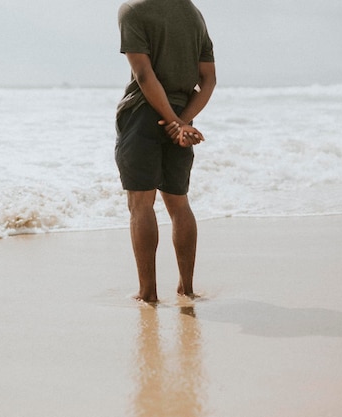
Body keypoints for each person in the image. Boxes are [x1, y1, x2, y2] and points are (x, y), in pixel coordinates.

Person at [115, 0, 216, 302]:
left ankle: (148, 293)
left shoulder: (133, 10)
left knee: (141, 205)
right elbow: (208, 79)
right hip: (183, 112)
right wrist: (182, 122)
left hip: (144, 114)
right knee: (178, 204)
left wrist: (173, 122)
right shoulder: (192, 13)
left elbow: (144, 76)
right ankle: (186, 287)